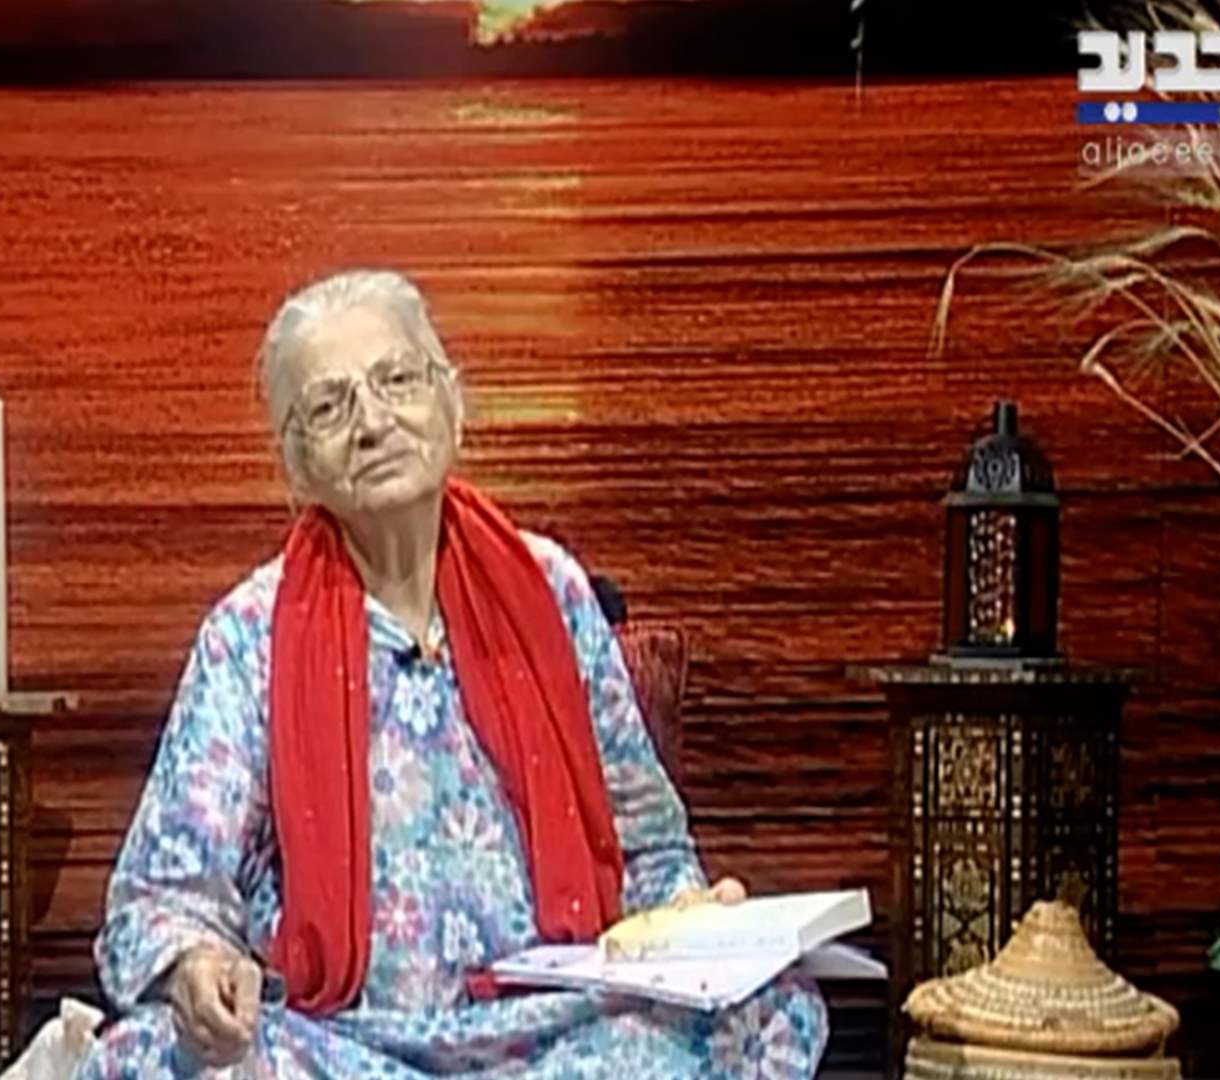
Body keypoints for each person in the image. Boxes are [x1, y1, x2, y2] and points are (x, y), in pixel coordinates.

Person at [73, 269, 828, 1078]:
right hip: (342, 1046)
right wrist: (197, 966)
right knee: (147, 1060)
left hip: (564, 1037)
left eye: (397, 380)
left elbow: (649, 847)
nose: (374, 422)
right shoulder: (248, 635)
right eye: (329, 407)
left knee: (775, 1006)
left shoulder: (553, 590)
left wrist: (688, 917)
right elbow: (161, 896)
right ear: (296, 467)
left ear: (451, 404)